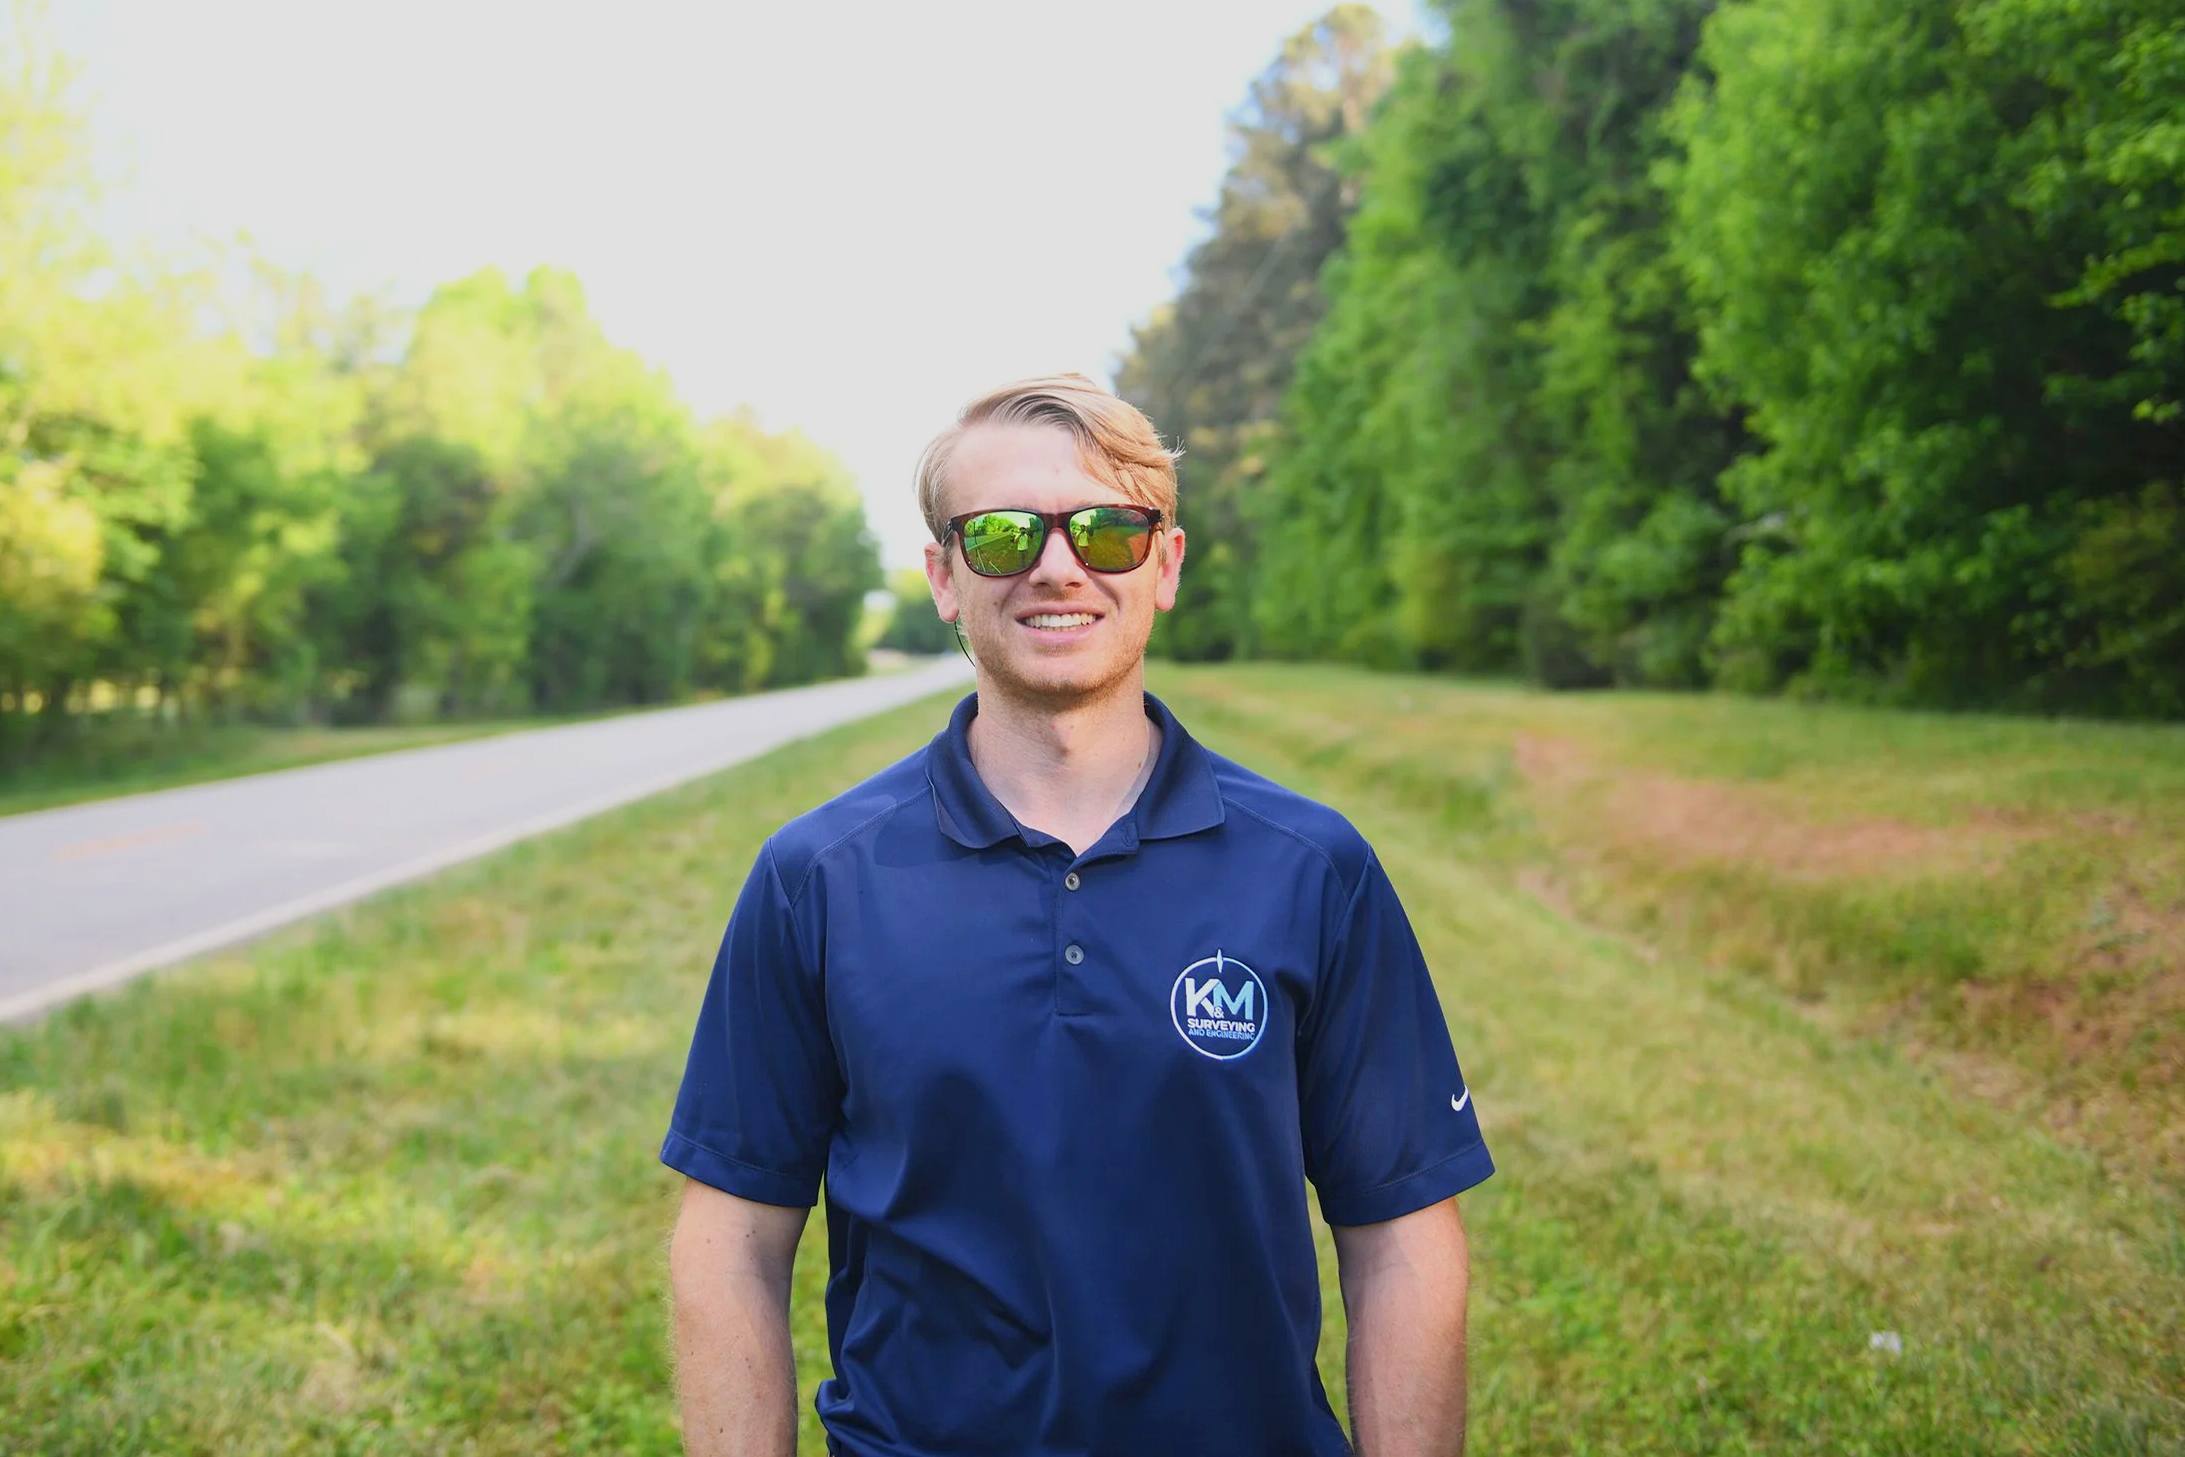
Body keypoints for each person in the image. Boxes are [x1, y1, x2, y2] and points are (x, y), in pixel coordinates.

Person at [663, 374, 1493, 1456]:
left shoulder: (1311, 868)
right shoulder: (815, 877)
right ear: (943, 579)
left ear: (1166, 565)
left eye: (1106, 529)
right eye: (1003, 535)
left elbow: (1398, 1235)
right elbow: (731, 1237)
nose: (1057, 566)